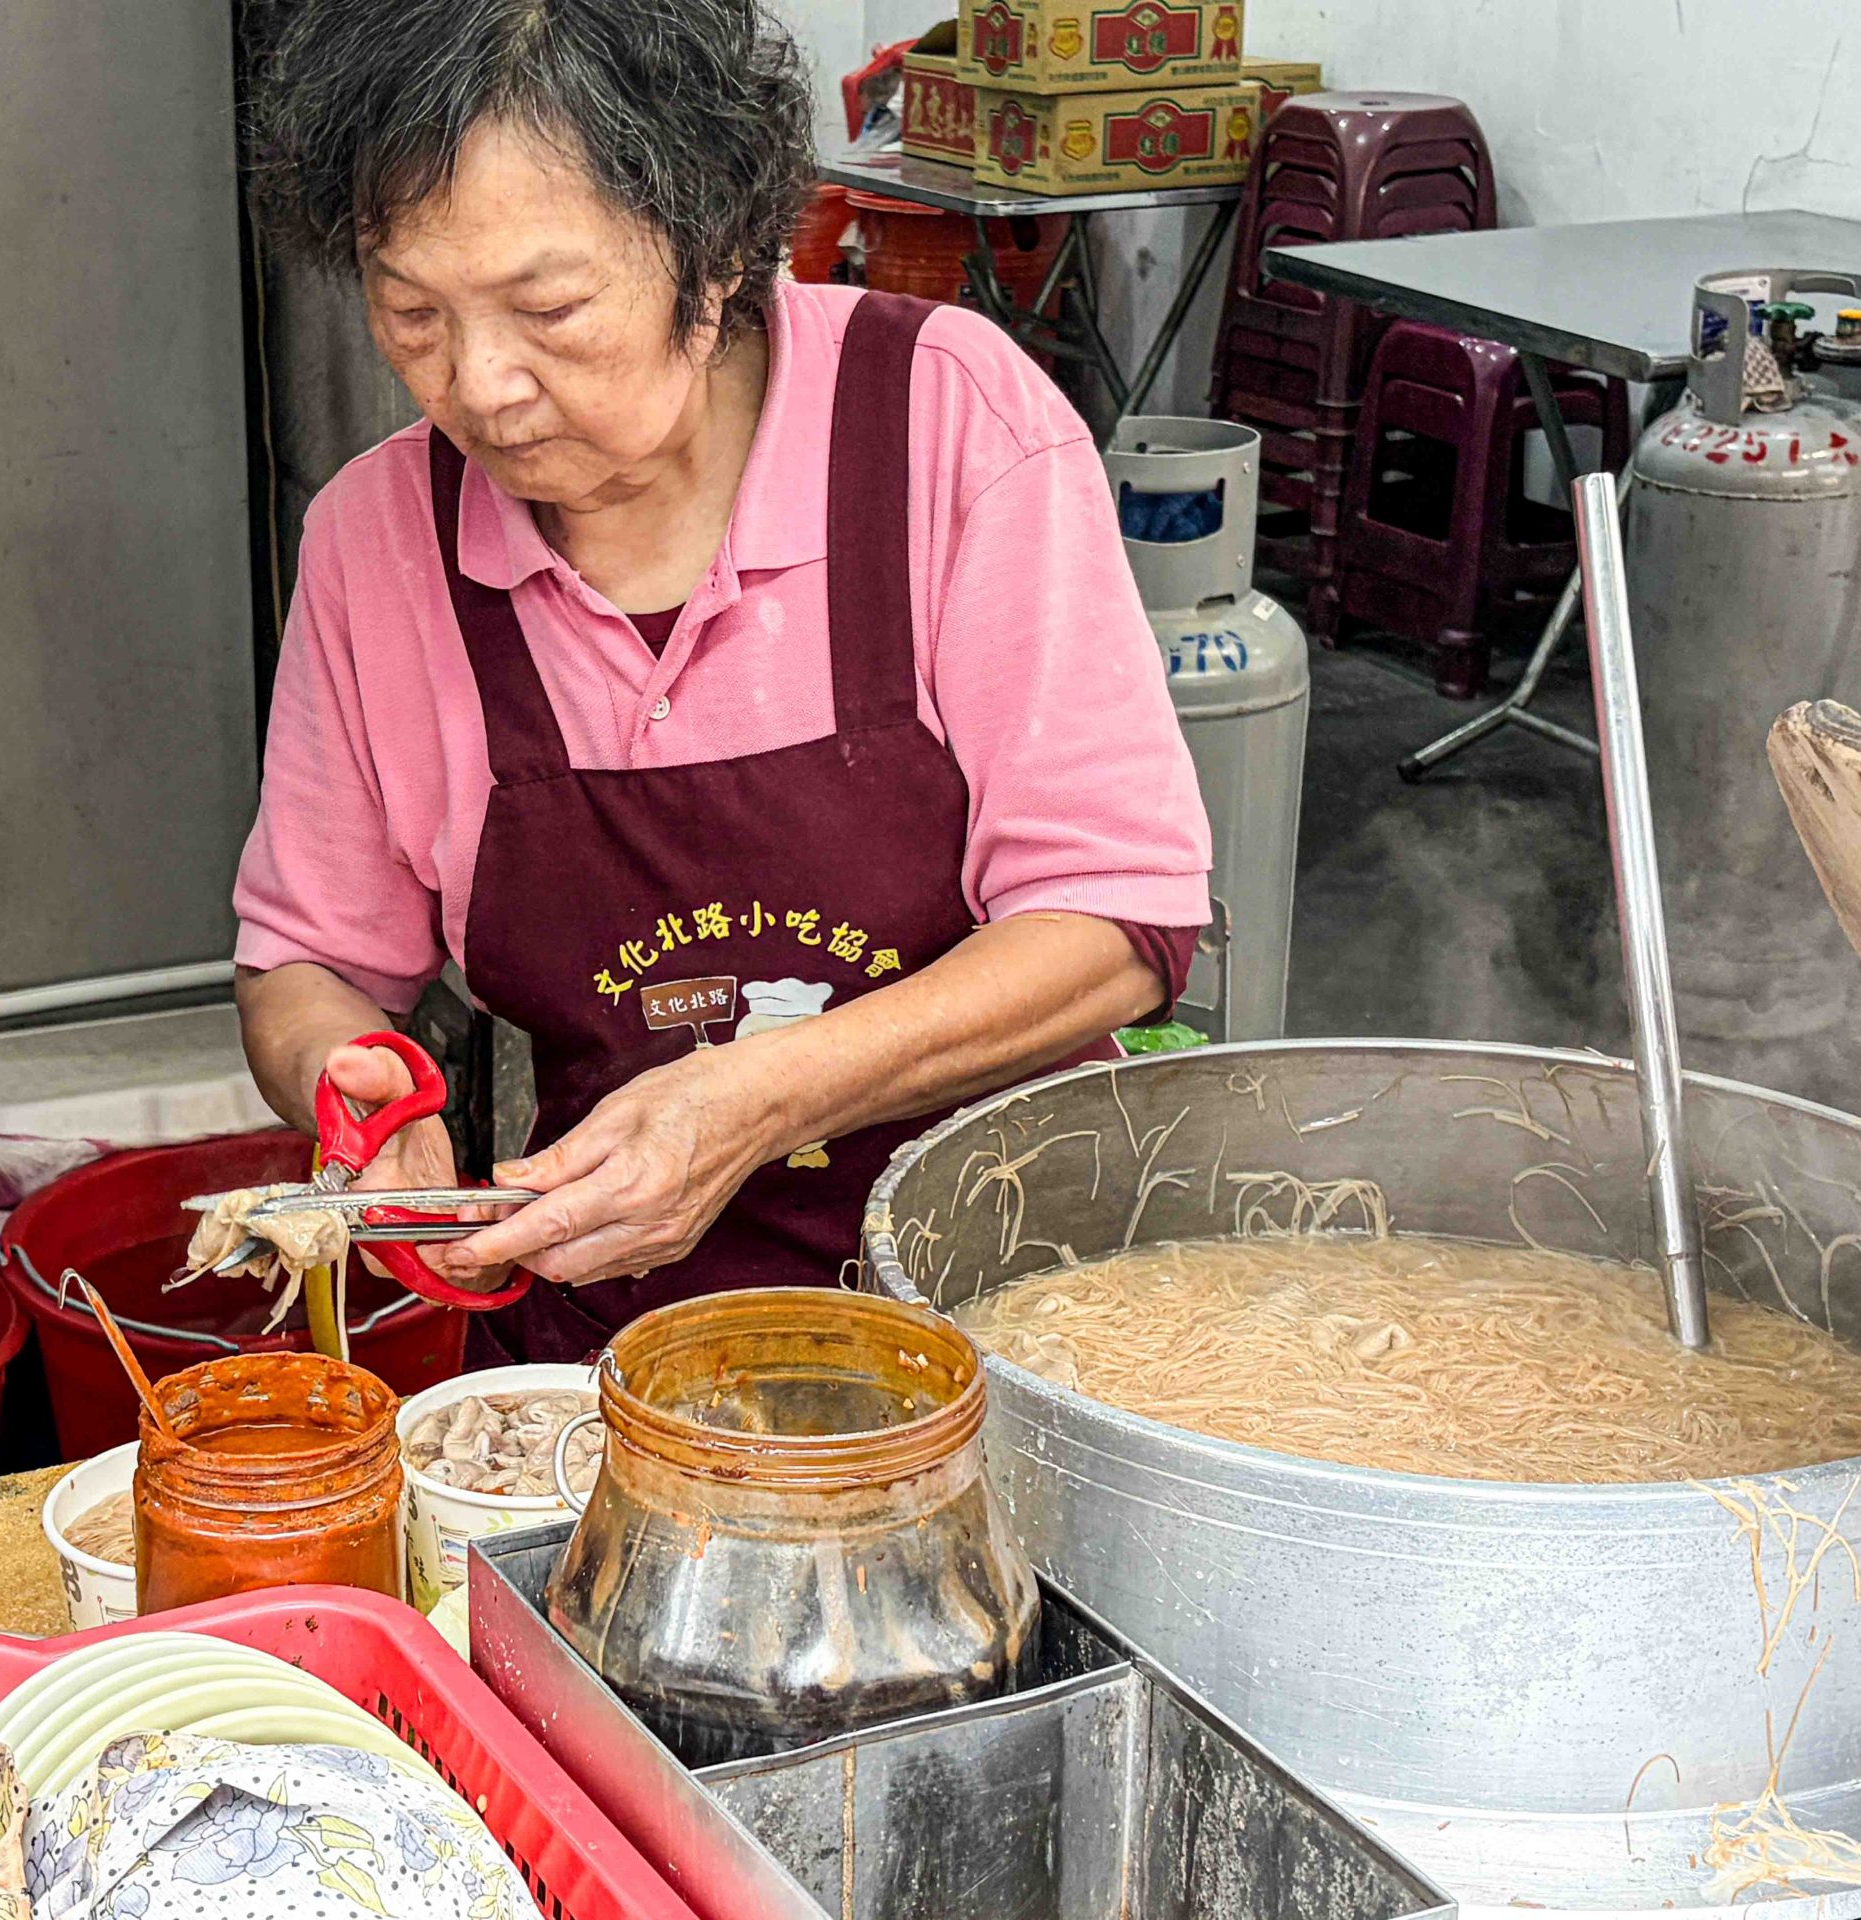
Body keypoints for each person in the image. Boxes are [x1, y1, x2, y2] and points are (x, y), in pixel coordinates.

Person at [233, 0, 1212, 1364]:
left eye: (550, 309)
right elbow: (314, 962)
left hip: (1011, 1319)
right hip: (611, 1356)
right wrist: (362, 1096)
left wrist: (753, 1099)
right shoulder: (373, 538)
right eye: (412, 315)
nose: (481, 383)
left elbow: (1116, 920)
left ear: (719, 245)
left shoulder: (947, 426)